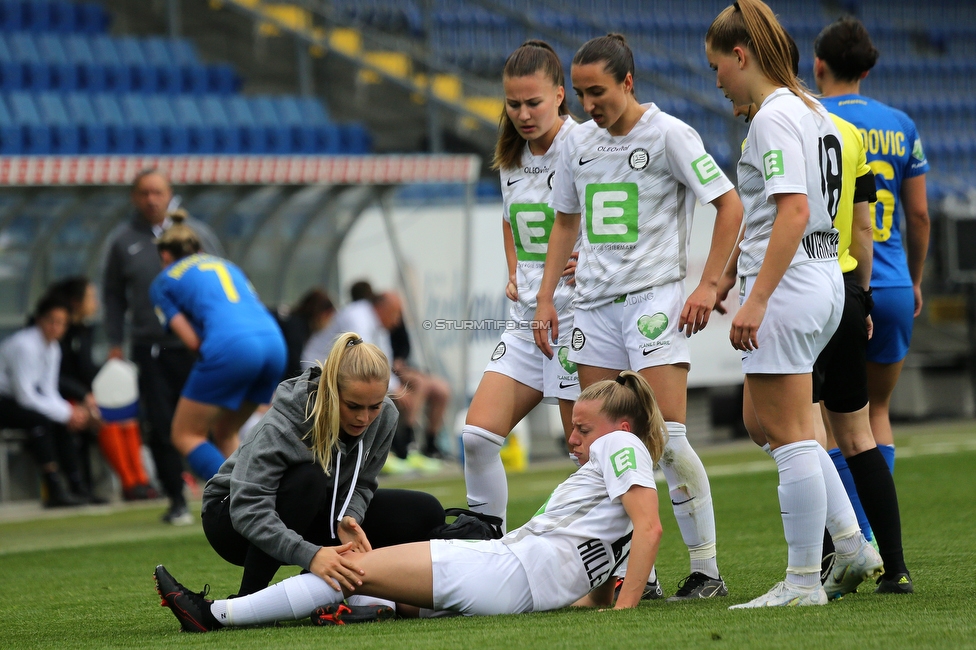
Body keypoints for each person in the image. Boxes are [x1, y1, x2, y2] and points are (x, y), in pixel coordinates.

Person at [154, 370, 666, 631]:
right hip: (512, 582)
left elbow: (650, 530)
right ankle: (363, 607)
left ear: (621, 428)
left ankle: (218, 613)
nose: (572, 438)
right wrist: (596, 603)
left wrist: (622, 610)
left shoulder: (621, 445)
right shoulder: (614, 496)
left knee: (353, 567)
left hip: (503, 570)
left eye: (583, 429)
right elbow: (607, 567)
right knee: (365, 575)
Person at [533, 33, 743, 600]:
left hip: (653, 301)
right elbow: (565, 223)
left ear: (628, 82)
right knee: (604, 445)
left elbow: (729, 204)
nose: (588, 105)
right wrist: (547, 296)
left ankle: (706, 570)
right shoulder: (579, 145)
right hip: (593, 307)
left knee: (666, 438)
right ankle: (638, 577)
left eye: (597, 91)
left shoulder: (670, 133)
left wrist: (707, 284)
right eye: (579, 93)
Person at [704, 0, 885, 608]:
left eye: (717, 67)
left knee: (790, 433)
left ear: (741, 55)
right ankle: (852, 544)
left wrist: (755, 299)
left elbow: (792, 211)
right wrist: (731, 274)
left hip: (791, 286)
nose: (718, 80)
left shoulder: (775, 119)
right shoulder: (815, 111)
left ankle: (805, 579)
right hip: (819, 277)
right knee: (767, 424)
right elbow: (774, 217)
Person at [189, 331, 444, 599]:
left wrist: (350, 517)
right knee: (308, 478)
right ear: (331, 392)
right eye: (353, 406)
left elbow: (363, 483)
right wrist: (312, 555)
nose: (364, 418)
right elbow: (247, 507)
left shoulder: (386, 416)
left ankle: (325, 589)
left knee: (426, 511)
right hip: (231, 520)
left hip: (319, 506)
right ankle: (247, 600)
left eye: (375, 406)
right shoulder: (285, 421)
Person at [815, 17, 926, 593]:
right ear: (868, 67)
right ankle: (885, 547)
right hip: (891, 281)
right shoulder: (900, 124)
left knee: (827, 427)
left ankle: (855, 541)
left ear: (818, 66)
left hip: (836, 281)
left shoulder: (815, 119)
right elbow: (920, 214)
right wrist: (915, 277)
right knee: (873, 414)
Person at [462, 40, 580, 532]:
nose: (524, 114)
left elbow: (619, 216)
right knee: (476, 437)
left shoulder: (586, 146)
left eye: (533, 103)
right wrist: (514, 271)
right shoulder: (510, 158)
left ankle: (632, 571)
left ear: (559, 95)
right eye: (514, 105)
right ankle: (486, 549)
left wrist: (594, 258)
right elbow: (511, 223)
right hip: (527, 322)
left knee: (587, 451)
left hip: (580, 319)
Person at [102, 168, 225, 525]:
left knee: (210, 421)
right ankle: (176, 499)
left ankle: (223, 494)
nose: (151, 199)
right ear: (134, 197)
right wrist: (113, 341)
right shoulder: (123, 241)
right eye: (144, 193)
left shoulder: (196, 234)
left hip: (196, 347)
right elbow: (112, 295)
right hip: (150, 346)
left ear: (169, 193)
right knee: (162, 425)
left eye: (157, 192)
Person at [149, 211, 287, 482]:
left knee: (185, 434)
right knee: (225, 431)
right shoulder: (227, 265)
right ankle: (261, 496)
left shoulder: (163, 281)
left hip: (233, 346)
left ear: (165, 256)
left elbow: (192, 341)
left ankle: (238, 499)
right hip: (274, 343)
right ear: (198, 249)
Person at [49, 276, 155, 501]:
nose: (95, 302)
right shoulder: (63, 335)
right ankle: (128, 483)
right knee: (106, 418)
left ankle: (140, 480)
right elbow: (57, 375)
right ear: (76, 302)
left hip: (88, 396)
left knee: (127, 417)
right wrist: (84, 395)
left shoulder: (84, 331)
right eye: (91, 297)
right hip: (66, 397)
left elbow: (86, 369)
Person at [0, 294, 93, 506]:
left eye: (61, 323)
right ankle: (53, 487)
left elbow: (49, 391)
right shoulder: (24, 345)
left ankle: (76, 485)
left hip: (18, 400)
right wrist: (67, 413)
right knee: (40, 420)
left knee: (60, 422)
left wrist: (69, 413)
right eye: (52, 321)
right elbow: (25, 395)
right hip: (5, 400)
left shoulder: (52, 348)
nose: (56, 328)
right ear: (40, 319)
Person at [389, 320, 451, 459]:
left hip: (404, 367)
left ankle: (431, 443)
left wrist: (401, 360)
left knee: (443, 389)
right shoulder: (374, 323)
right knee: (419, 384)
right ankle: (408, 438)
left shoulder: (399, 321)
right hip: (388, 370)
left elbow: (404, 346)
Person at [278, 288, 336, 381]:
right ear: (323, 314)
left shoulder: (295, 323)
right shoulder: (297, 328)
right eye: (329, 318)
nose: (328, 324)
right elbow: (293, 365)